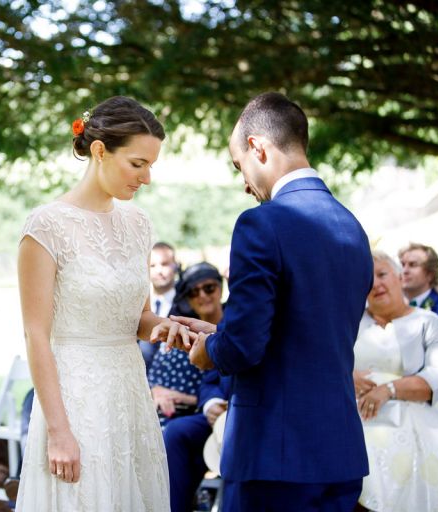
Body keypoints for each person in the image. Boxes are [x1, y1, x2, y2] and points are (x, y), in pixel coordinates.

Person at [156, 92, 374, 511]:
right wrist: (223, 332)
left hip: (274, 453)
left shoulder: (262, 222)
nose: (244, 182)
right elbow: (302, 329)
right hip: (340, 449)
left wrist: (210, 350)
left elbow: (243, 346)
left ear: (258, 146)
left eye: (240, 166)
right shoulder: (352, 227)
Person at [16, 96, 186, 510]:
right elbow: (36, 335)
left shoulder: (139, 223)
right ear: (98, 151)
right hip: (74, 401)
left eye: (151, 166)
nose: (146, 178)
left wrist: (165, 326)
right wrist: (58, 431)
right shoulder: (46, 227)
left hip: (129, 397)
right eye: (137, 163)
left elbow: (138, 318)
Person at [354, 251, 438, 512]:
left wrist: (389, 389)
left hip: (416, 427)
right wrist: (346, 376)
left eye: (382, 275)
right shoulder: (350, 324)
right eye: (367, 280)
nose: (376, 285)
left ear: (398, 277)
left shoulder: (428, 322)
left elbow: (436, 376)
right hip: (357, 425)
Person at [157, 262, 226, 512]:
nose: (203, 296)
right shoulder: (185, 330)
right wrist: (212, 404)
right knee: (176, 432)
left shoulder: (237, 319)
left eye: (208, 288)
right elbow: (208, 381)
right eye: (194, 292)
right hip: (210, 414)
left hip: (244, 405)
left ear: (219, 288)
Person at [140, 241, 182, 370]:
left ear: (176, 265)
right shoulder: (139, 301)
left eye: (164, 264)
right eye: (152, 266)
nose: (159, 271)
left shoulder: (187, 302)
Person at [398, 242, 438, 316]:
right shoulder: (394, 304)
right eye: (402, 264)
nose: (404, 271)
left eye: (413, 265)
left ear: (430, 273)